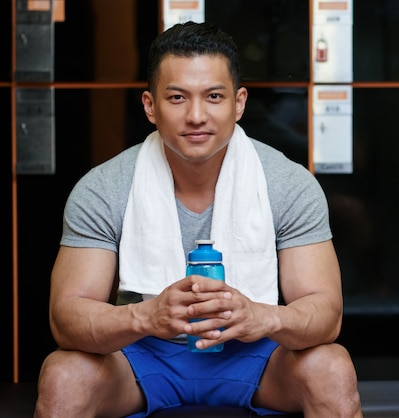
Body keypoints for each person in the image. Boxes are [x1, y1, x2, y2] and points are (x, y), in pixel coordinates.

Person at [34, 21, 362, 418]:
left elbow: (326, 314)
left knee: (332, 367)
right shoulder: (104, 187)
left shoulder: (288, 183)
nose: (195, 115)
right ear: (150, 106)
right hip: (141, 358)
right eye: (176, 97)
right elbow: (66, 318)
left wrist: (263, 315)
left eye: (213, 96)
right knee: (63, 374)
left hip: (256, 356)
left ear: (238, 103)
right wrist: (145, 315)